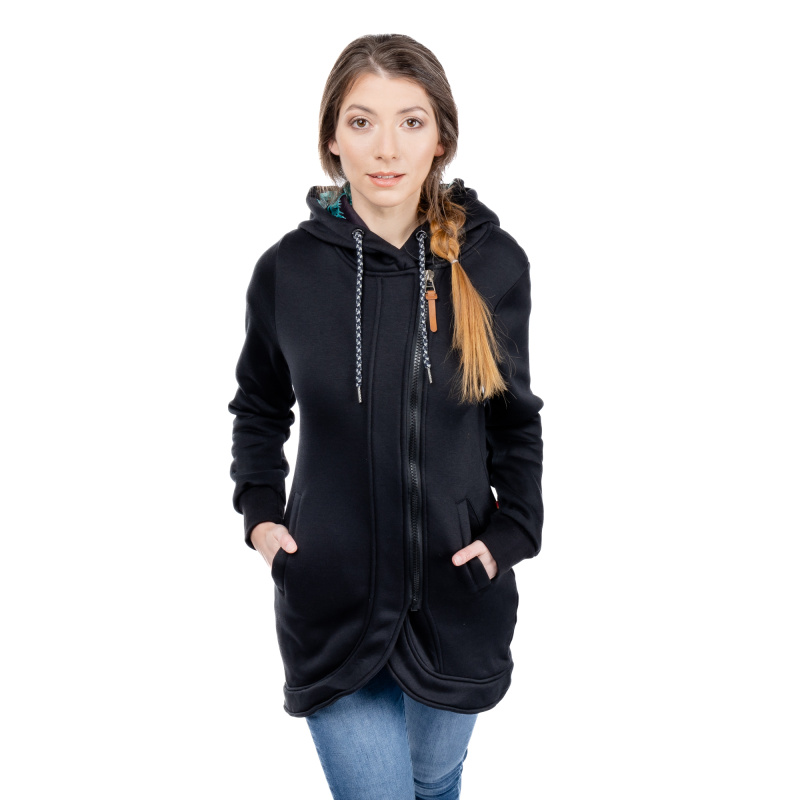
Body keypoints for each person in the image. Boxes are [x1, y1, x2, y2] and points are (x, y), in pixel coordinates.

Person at [228, 33, 544, 800]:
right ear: (332, 138)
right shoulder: (287, 271)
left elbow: (515, 420)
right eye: (362, 122)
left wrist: (513, 533)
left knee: (434, 781)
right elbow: (260, 407)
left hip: (457, 596)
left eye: (411, 121)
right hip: (330, 601)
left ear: (442, 138)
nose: (386, 149)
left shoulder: (492, 263)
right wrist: (262, 517)